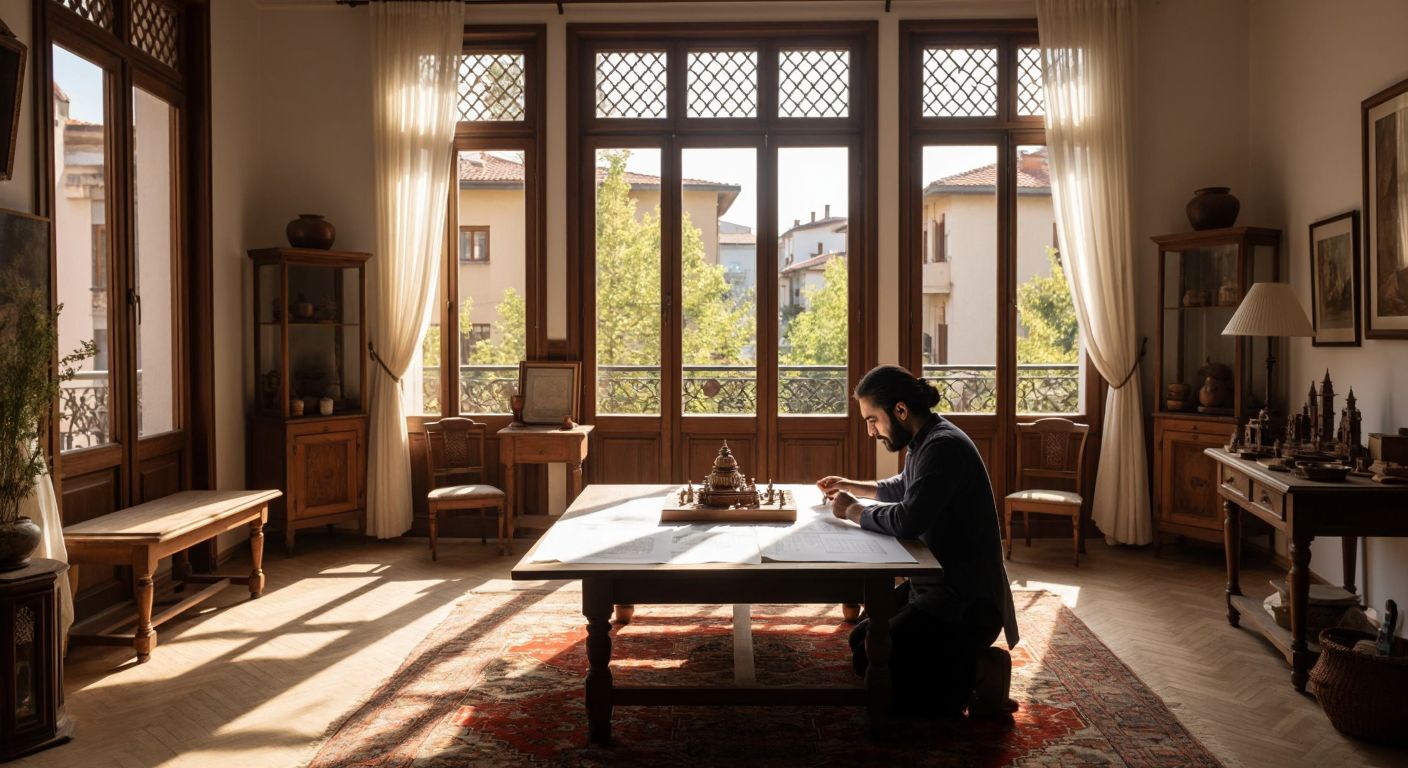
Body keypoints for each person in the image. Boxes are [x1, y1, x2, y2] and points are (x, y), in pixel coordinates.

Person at [817, 364, 1019, 718]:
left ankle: (981, 670)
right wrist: (852, 486)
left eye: (872, 420)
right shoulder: (925, 440)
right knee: (860, 642)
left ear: (900, 410)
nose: (871, 432)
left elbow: (909, 519)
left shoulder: (944, 447)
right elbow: (904, 486)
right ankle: (953, 666)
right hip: (932, 589)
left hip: (965, 604)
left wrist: (853, 511)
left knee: (884, 672)